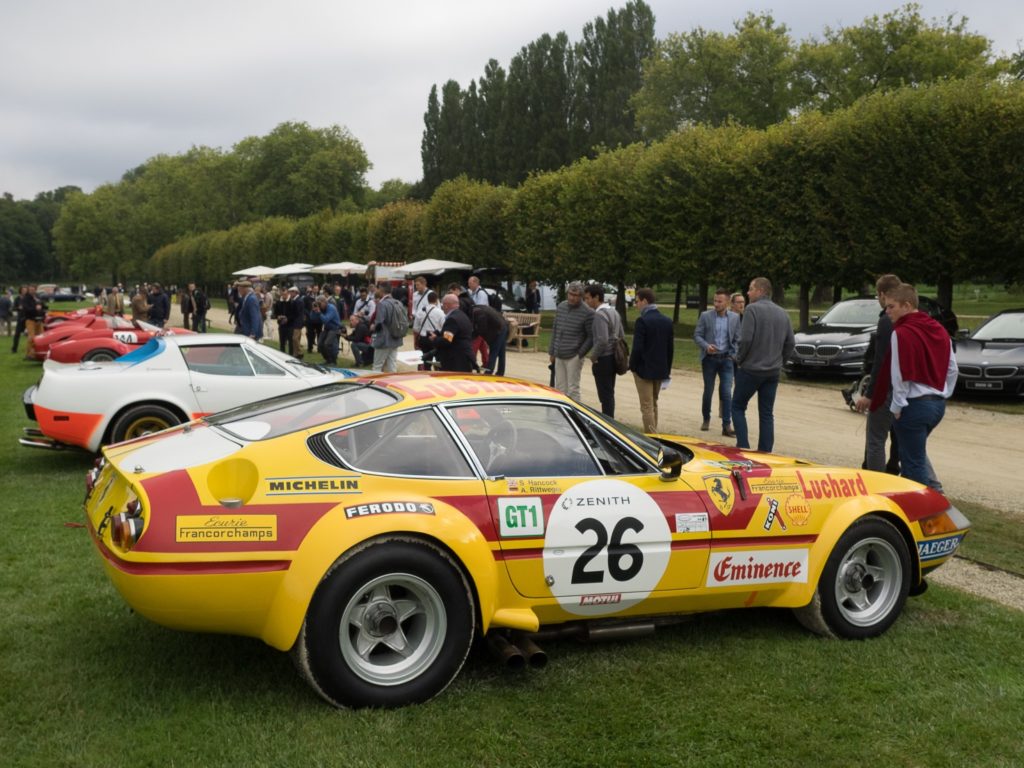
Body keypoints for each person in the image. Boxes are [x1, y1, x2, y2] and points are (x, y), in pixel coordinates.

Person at [870, 283, 957, 492]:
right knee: (912, 458)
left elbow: (899, 375)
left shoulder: (901, 332)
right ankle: (914, 506)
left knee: (913, 464)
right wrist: (944, 392)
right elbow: (952, 368)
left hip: (914, 405)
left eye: (891, 307)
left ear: (906, 305)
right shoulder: (938, 328)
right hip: (937, 404)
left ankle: (925, 514)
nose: (887, 311)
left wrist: (897, 408)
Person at [732, 277, 795, 453]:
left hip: (751, 369)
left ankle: (743, 447)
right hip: (772, 371)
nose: (747, 292)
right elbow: (791, 342)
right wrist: (781, 361)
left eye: (750, 289)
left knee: (737, 406)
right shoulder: (783, 312)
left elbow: (745, 340)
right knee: (767, 413)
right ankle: (765, 451)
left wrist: (740, 359)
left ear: (760, 291)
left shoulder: (752, 310)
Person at [854, 274, 903, 474]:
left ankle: (876, 480)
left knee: (875, 439)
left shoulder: (886, 320)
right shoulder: (910, 318)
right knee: (898, 437)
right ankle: (893, 468)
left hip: (886, 388)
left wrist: (870, 394)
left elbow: (881, 360)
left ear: (882, 294)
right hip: (904, 388)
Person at [694, 288, 741, 436]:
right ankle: (706, 418)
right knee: (709, 390)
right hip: (709, 360)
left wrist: (733, 355)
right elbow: (697, 335)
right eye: (715, 301)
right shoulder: (705, 316)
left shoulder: (734, 318)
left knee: (727, 392)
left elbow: (737, 339)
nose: (716, 304)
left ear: (727, 302)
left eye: (719, 301)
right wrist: (706, 346)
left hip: (726, 359)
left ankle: (726, 425)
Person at [628, 288, 674, 433]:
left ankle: (651, 437)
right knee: (654, 403)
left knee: (646, 406)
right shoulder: (667, 321)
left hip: (644, 370)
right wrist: (667, 370)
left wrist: (632, 366)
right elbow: (670, 349)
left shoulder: (642, 321)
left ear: (645, 301)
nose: (636, 305)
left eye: (637, 301)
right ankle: (654, 433)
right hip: (660, 369)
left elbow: (637, 348)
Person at [548, 281, 594, 401]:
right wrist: (552, 351)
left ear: (581, 296)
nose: (572, 297)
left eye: (576, 295)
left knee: (573, 389)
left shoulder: (588, 312)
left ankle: (575, 417)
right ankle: (560, 416)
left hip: (574, 356)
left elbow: (591, 336)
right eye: (570, 294)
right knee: (559, 388)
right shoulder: (561, 306)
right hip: (559, 354)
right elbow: (555, 329)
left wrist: (580, 354)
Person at [583, 283, 623, 417]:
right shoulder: (614, 311)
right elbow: (621, 334)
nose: (586, 301)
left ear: (596, 297)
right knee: (609, 393)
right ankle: (610, 419)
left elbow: (602, 340)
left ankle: (608, 422)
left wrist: (593, 357)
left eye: (588, 298)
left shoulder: (599, 315)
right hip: (613, 357)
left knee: (605, 395)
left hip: (604, 358)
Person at [430, 293, 475, 372]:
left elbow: (447, 340)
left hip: (456, 361)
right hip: (465, 357)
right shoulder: (463, 316)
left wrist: (435, 339)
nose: (442, 307)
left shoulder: (452, 319)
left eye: (442, 304)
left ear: (446, 305)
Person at [371, 286, 406, 372]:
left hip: (384, 339)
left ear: (382, 290)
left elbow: (379, 322)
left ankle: (374, 384)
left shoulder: (382, 304)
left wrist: (373, 327)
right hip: (396, 338)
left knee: (377, 365)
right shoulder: (398, 303)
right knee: (392, 365)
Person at [472, 302, 509, 376]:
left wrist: (473, 336)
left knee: (494, 351)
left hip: (499, 329)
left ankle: (489, 372)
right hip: (502, 325)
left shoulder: (477, 313)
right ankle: (500, 372)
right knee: (501, 352)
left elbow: (482, 328)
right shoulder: (477, 308)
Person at [413, 291, 445, 369]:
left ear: (427, 300)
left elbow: (416, 328)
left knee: (425, 361)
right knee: (438, 361)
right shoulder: (440, 312)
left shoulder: (421, 311)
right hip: (435, 338)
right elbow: (444, 327)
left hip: (424, 339)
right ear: (437, 300)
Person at [314, 295, 343, 365]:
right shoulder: (321, 308)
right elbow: (313, 318)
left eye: (319, 303)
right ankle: (328, 360)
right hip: (327, 328)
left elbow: (326, 320)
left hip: (335, 328)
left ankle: (333, 361)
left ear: (324, 302)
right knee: (320, 344)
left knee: (327, 344)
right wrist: (314, 310)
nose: (319, 305)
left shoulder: (331, 308)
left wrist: (319, 312)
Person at [284, 286, 305, 357]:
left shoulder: (298, 301)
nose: (290, 293)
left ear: (295, 292)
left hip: (298, 322)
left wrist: (288, 318)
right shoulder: (295, 300)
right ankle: (296, 353)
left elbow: (296, 313)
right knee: (296, 339)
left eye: (291, 292)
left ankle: (300, 352)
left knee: (295, 338)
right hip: (296, 321)